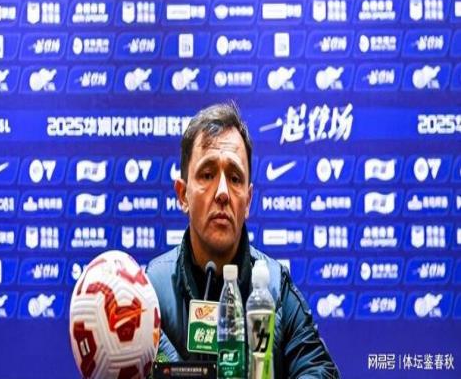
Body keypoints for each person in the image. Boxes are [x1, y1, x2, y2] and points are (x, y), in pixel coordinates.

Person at [146, 102, 340, 378]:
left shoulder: (274, 288)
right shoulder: (151, 290)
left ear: (247, 201)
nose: (222, 192)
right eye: (207, 175)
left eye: (235, 178)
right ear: (182, 194)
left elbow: (319, 369)